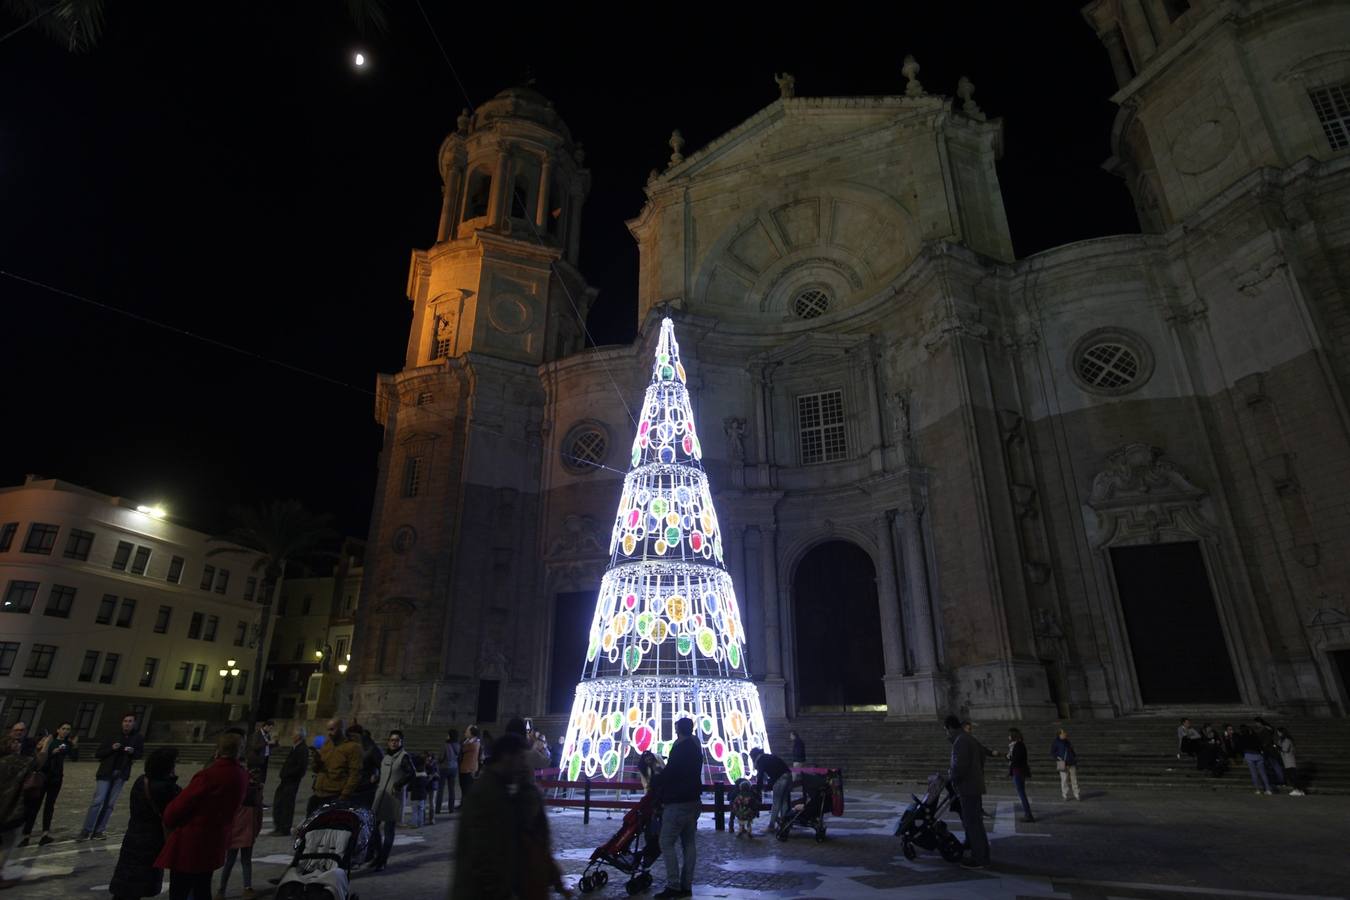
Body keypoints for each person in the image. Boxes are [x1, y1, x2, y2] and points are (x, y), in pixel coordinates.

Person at [452, 733, 570, 900]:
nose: (523, 764)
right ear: (507, 757)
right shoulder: (488, 793)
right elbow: (483, 850)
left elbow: (531, 840)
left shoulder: (506, 788)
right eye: (520, 758)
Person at [155, 732, 248, 900]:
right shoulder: (241, 775)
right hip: (216, 840)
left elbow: (175, 810)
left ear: (218, 750)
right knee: (202, 887)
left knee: (180, 890)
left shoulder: (208, 775)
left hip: (193, 841)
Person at [109, 748, 182, 900]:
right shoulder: (164, 788)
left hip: (133, 837)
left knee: (125, 887)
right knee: (137, 886)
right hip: (151, 841)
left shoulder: (142, 781)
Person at [655, 716, 701, 899]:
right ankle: (686, 885)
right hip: (694, 801)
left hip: (678, 802)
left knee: (666, 842)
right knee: (689, 844)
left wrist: (657, 779)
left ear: (678, 730)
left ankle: (673, 885)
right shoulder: (696, 747)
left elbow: (671, 772)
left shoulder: (679, 749)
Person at [79, 712, 145, 840]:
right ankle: (86, 830)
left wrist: (132, 752)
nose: (127, 723)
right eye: (125, 721)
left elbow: (139, 754)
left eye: (130, 721)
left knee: (109, 804)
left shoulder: (137, 738)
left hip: (121, 774)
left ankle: (99, 831)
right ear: (122, 722)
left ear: (134, 723)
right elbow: (98, 754)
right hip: (106, 772)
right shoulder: (112, 736)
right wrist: (112, 748)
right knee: (98, 801)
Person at [0, 732, 48, 886]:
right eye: (15, 742)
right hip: (11, 809)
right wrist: (44, 747)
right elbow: (39, 763)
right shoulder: (20, 761)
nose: (18, 744)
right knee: (8, 842)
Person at [20, 721, 77, 846]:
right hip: (43, 776)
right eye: (63, 728)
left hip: (56, 778)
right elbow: (41, 757)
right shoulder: (49, 741)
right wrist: (52, 752)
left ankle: (45, 834)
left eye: (68, 729)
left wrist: (74, 746)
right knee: (35, 806)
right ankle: (26, 835)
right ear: (58, 729)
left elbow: (74, 758)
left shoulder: (67, 743)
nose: (66, 731)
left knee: (49, 806)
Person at [945, 714, 990, 870]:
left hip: (967, 787)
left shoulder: (961, 741)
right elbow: (982, 754)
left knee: (973, 823)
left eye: (946, 730)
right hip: (974, 784)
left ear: (950, 728)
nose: (947, 733)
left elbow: (959, 768)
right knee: (975, 823)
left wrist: (951, 776)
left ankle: (979, 858)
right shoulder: (968, 738)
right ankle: (981, 853)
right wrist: (977, 771)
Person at [217, 752, 264, 899]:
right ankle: (240, 888)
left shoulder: (241, 786)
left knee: (234, 860)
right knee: (238, 860)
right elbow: (258, 811)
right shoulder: (253, 789)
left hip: (241, 827)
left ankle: (225, 889)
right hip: (242, 827)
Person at [371, 729, 415, 871]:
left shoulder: (404, 757)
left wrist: (399, 784)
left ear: (401, 742)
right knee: (373, 827)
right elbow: (383, 773)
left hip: (393, 798)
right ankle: (378, 855)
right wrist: (376, 778)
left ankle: (382, 861)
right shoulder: (386, 756)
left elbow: (411, 773)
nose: (394, 743)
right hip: (380, 796)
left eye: (397, 740)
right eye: (391, 740)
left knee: (389, 831)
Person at [308, 719, 362, 815]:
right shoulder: (327, 743)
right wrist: (316, 760)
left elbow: (355, 773)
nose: (329, 733)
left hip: (335, 794)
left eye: (332, 729)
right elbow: (318, 769)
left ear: (341, 729)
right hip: (319, 792)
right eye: (328, 730)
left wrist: (344, 795)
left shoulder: (353, 747)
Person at [270, 729, 308, 835]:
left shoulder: (302, 749)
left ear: (299, 737)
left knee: (287, 805)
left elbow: (301, 768)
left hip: (291, 781)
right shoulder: (296, 747)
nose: (292, 736)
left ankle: (284, 828)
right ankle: (279, 826)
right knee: (279, 803)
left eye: (293, 735)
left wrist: (288, 774)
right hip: (286, 780)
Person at [749, 748, 791, 831]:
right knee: (784, 801)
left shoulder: (760, 760)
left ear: (754, 756)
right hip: (788, 775)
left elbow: (760, 776)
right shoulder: (768, 757)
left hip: (780, 779)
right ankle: (784, 824)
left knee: (776, 802)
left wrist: (758, 789)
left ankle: (771, 826)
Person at [346, 724, 382, 809]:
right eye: (349, 736)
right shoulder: (350, 748)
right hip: (351, 787)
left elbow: (383, 767)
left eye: (353, 736)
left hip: (365, 788)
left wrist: (377, 777)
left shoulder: (371, 749)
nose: (351, 738)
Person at [1006, 728, 1034, 823]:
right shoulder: (1018, 745)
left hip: (1018, 772)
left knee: (1021, 793)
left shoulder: (1018, 745)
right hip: (1018, 771)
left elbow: (1016, 759)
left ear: (1013, 736)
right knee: (1021, 793)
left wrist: (1010, 758)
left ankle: (1028, 814)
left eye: (1009, 735)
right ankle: (1028, 814)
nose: (1008, 737)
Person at [1236, 724, 1273, 795]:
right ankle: (1268, 789)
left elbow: (1239, 747)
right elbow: (1260, 745)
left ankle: (1257, 789)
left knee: (1254, 773)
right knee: (1263, 773)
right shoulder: (1254, 736)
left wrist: (1243, 755)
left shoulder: (1241, 737)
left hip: (1249, 755)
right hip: (1258, 755)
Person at [1051, 728, 1081, 801]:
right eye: (1063, 733)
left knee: (1074, 779)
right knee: (1064, 780)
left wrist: (1074, 758)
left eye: (1065, 733)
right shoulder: (1056, 742)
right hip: (1061, 762)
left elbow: (1072, 751)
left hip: (1071, 762)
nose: (1065, 734)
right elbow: (1052, 752)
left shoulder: (1067, 741)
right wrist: (1058, 758)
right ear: (1059, 735)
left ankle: (1076, 794)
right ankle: (1065, 794)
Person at [1276, 727, 1305, 796]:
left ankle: (1297, 790)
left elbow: (1285, 749)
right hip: (1286, 761)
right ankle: (1299, 790)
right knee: (1291, 776)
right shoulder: (1282, 740)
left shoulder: (1287, 740)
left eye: (1279, 732)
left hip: (1290, 762)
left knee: (1292, 776)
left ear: (1282, 732)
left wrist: (1277, 747)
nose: (1278, 734)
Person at [245, 720, 275, 786]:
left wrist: (275, 743)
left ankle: (260, 786)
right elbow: (254, 746)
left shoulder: (267, 735)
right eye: (270, 728)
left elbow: (268, 746)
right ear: (266, 726)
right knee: (254, 777)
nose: (271, 730)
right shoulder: (257, 734)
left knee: (262, 777)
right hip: (256, 759)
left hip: (264, 758)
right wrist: (267, 743)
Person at [438, 729, 460, 815]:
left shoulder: (445, 745)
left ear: (450, 735)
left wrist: (438, 761)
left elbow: (441, 757)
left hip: (444, 768)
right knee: (452, 789)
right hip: (454, 768)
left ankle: (438, 808)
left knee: (441, 788)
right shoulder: (458, 745)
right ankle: (451, 808)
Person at [459, 726, 481, 804]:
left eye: (467, 731)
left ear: (472, 733)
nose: (465, 732)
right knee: (463, 786)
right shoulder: (466, 741)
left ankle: (466, 804)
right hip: (464, 767)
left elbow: (463, 749)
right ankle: (463, 803)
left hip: (469, 768)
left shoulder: (475, 743)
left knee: (467, 787)